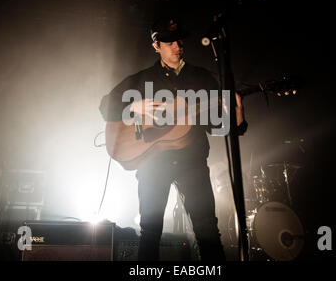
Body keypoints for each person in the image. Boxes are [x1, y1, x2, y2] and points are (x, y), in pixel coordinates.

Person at [99, 17, 248, 261]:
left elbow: (217, 124)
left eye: (179, 40)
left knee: (208, 231)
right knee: (150, 232)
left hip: (192, 162)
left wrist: (238, 117)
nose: (177, 46)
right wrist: (135, 106)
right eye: (169, 42)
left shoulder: (201, 78)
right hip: (152, 164)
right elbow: (106, 104)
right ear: (156, 45)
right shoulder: (142, 78)